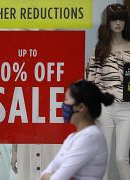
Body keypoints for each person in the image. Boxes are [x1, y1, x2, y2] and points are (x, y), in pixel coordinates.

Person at [87, 3, 130, 180]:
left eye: (122, 19)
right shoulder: (99, 50)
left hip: (127, 109)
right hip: (105, 108)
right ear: (108, 22)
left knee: (122, 158)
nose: (118, 23)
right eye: (114, 19)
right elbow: (92, 83)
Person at [41, 80, 114, 180]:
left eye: (66, 100)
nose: (63, 105)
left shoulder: (91, 137)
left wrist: (51, 175)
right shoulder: (72, 137)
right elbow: (44, 174)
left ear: (81, 107)